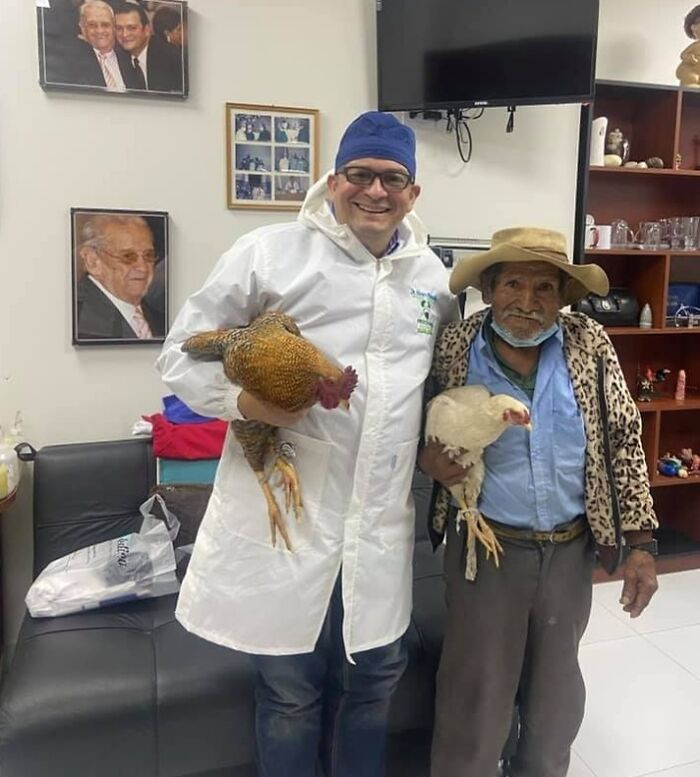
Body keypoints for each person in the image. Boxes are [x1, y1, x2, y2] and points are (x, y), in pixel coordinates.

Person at [156, 111, 457, 777]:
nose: (375, 190)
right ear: (333, 179)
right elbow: (179, 357)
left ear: (413, 193)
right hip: (288, 513)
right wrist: (244, 404)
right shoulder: (269, 253)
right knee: (290, 693)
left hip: (379, 523)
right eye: (360, 174)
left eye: (392, 178)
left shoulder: (433, 280)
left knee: (374, 680)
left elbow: (442, 382)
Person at [418, 227, 659, 777]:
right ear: (488, 289)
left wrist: (643, 544)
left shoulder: (589, 345)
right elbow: (414, 422)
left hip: (570, 551)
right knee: (475, 702)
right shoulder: (456, 346)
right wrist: (426, 458)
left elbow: (624, 439)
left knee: (555, 702)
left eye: (545, 288)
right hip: (486, 550)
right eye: (513, 284)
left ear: (563, 297)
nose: (527, 302)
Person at [76, 213, 165, 340]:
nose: (143, 268)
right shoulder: (78, 321)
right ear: (93, 261)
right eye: (128, 256)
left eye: (148, 255)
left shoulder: (162, 319)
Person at [69, 0, 139, 91]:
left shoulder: (130, 57)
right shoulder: (72, 61)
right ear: (82, 28)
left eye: (105, 25)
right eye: (92, 25)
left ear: (114, 27)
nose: (100, 31)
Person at [114, 2, 183, 93]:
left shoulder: (172, 57)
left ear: (147, 30)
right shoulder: (115, 57)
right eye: (119, 28)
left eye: (132, 28)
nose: (125, 34)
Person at [676, 4, 700, 85]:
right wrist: (690, 58)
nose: (693, 27)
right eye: (694, 24)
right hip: (692, 77)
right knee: (688, 76)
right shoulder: (696, 45)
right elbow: (683, 54)